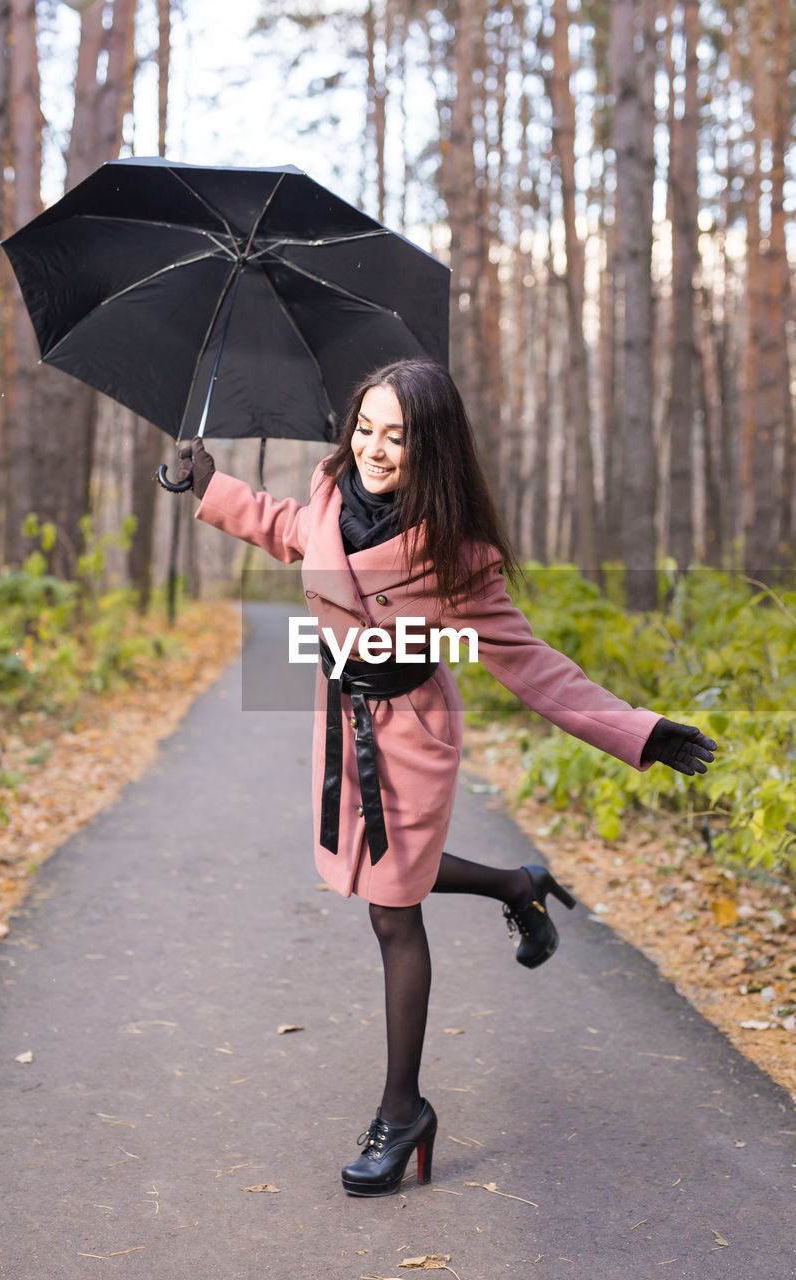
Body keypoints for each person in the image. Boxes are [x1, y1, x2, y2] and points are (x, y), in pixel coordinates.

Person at [173, 359, 716, 1198]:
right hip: (340, 720)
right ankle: (515, 883)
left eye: (396, 434)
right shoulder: (328, 493)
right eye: (364, 427)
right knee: (377, 877)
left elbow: (533, 666)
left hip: (412, 733)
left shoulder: (457, 555)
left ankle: (402, 1111)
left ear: (431, 445)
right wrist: (210, 485)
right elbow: (289, 528)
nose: (374, 449)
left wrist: (638, 731)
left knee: (393, 910)